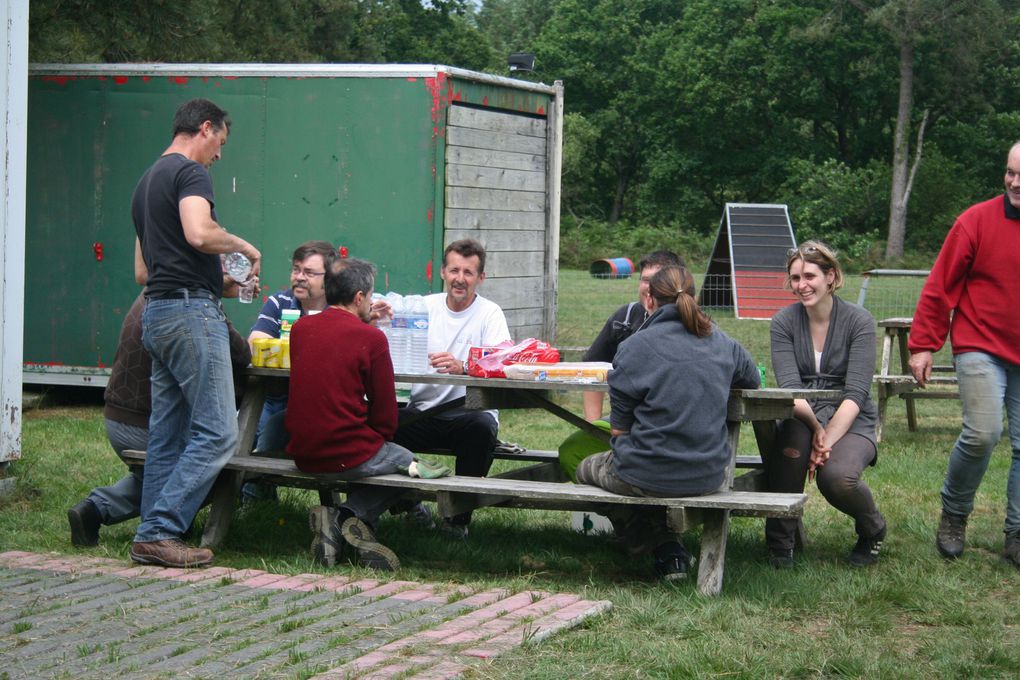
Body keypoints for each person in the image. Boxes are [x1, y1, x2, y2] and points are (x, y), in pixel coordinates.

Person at [130, 98, 261, 568]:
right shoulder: (190, 173)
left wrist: (222, 284)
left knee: (168, 435)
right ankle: (161, 529)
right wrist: (243, 245)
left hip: (158, 313)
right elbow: (200, 234)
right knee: (218, 432)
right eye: (220, 143)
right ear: (205, 129)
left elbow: (146, 270)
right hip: (189, 315)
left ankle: (155, 533)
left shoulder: (146, 183)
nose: (219, 155)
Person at [576, 265, 760, 581]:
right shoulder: (722, 342)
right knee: (642, 473)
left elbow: (619, 429)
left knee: (584, 469)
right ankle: (666, 545)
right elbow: (752, 379)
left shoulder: (633, 347)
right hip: (709, 474)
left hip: (643, 471)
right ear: (695, 296)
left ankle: (655, 542)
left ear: (651, 298)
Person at [284, 256, 449, 571]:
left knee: (388, 460)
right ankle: (348, 517)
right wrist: (378, 438)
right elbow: (386, 414)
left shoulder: (301, 328)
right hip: (347, 450)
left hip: (303, 451)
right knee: (412, 466)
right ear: (359, 298)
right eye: (371, 296)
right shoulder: (372, 339)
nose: (372, 302)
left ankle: (335, 527)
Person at [908, 142, 1020, 568]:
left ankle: (1017, 533)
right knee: (984, 433)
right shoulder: (975, 221)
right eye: (1010, 172)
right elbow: (940, 285)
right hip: (981, 343)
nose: (1014, 182)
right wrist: (923, 344)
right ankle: (954, 514)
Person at [66, 292, 251, 547]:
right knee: (212, 468)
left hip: (118, 417)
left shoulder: (154, 296)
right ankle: (164, 529)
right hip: (146, 424)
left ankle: (96, 509)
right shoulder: (190, 305)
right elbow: (241, 355)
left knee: (172, 468)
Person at [766, 241, 886, 568]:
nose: (801, 285)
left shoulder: (859, 321)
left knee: (836, 477)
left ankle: (872, 527)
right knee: (791, 452)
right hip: (801, 413)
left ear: (830, 276)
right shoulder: (782, 323)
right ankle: (780, 544)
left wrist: (826, 442)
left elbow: (857, 392)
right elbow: (792, 390)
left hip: (852, 417)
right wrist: (817, 430)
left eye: (809, 276)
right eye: (794, 278)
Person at [394, 238, 512, 538]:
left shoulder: (490, 313)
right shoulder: (423, 307)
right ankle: (406, 503)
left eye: (469, 272)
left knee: (482, 427)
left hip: (466, 415)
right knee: (379, 423)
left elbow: (504, 361)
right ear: (443, 273)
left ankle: (457, 518)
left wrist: (465, 366)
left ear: (480, 278)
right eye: (454, 270)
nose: (460, 279)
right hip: (421, 412)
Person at [582, 250, 685, 421]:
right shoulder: (625, 318)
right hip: (628, 423)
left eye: (657, 280)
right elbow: (592, 367)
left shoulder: (697, 325)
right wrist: (593, 428)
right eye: (645, 280)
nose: (649, 287)